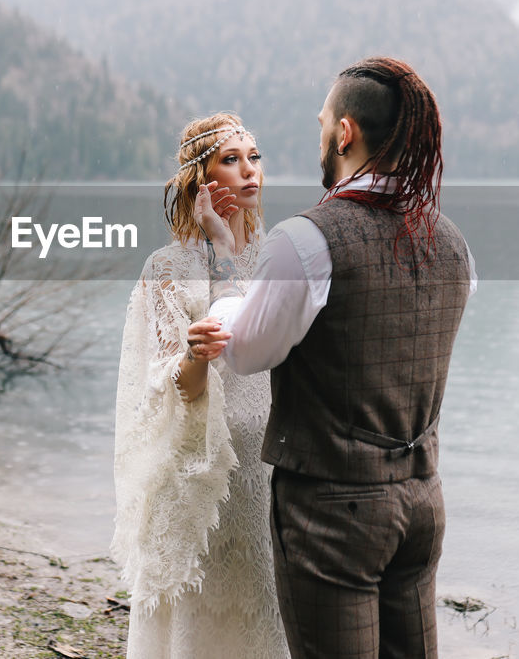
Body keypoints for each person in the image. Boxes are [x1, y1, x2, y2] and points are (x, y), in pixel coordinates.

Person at [188, 57, 475, 659]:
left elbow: (246, 353)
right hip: (423, 500)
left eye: (322, 122)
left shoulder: (307, 240)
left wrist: (229, 290)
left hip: (333, 509)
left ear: (344, 132)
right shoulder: (454, 243)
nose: (319, 133)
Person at [112, 112, 290, 659]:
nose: (248, 171)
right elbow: (176, 387)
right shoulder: (167, 267)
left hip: (269, 459)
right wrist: (195, 354)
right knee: (201, 616)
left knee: (265, 603)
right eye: (230, 160)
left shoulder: (281, 257)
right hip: (201, 465)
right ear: (201, 179)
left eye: (254, 157)